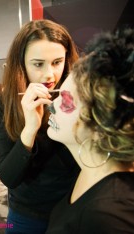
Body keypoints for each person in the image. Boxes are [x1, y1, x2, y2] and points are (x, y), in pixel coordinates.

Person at [0, 19, 80, 233]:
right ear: (21, 63)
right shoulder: (5, 103)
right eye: (38, 64)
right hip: (27, 213)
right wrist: (29, 129)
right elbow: (9, 177)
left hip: (74, 205)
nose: (49, 74)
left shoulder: (78, 96)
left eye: (57, 62)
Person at [46, 28, 134, 233]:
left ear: (100, 122)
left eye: (66, 100)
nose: (53, 104)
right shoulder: (91, 169)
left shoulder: (110, 215)